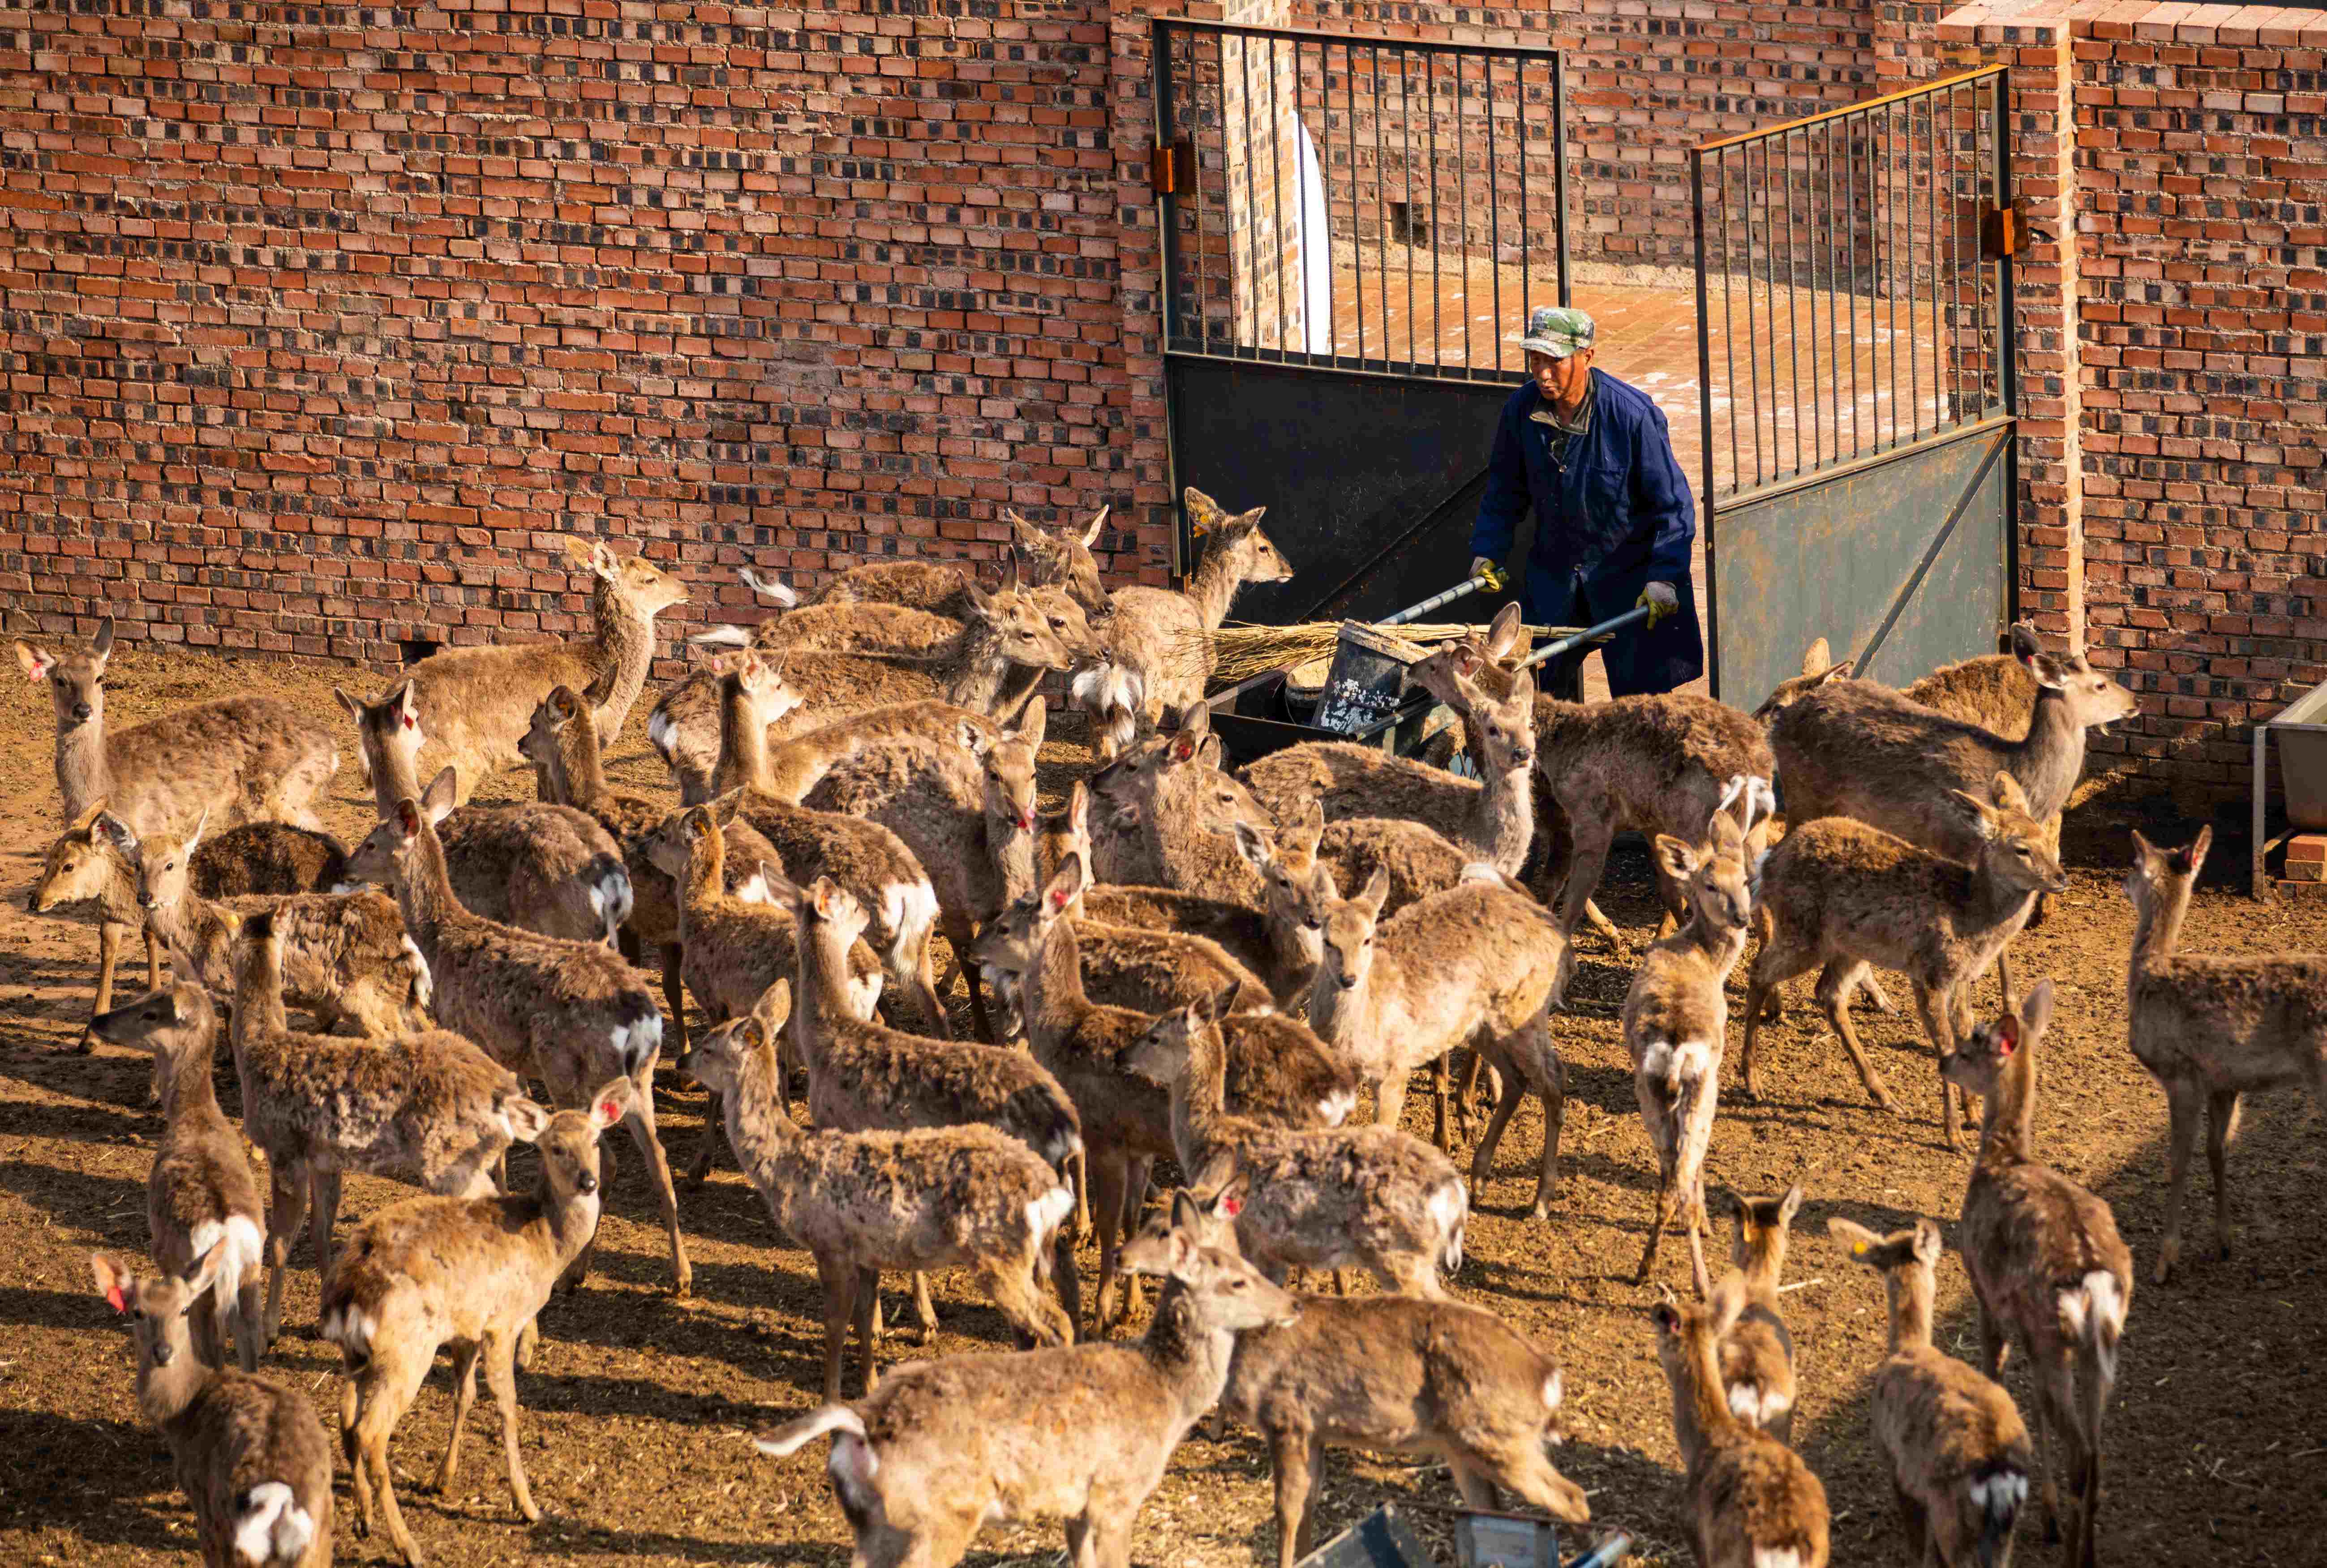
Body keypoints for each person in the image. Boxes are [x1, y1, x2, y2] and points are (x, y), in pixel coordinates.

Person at [1469, 305, 1704, 698]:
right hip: (1557, 578)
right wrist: (1487, 550)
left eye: (1555, 362)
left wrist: (1664, 576)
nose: (1543, 373)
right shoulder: (1520, 412)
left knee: (1639, 710)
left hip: (1627, 580)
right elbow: (1505, 490)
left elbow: (1674, 507)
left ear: (1587, 357)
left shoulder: (1631, 416)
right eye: (1536, 360)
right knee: (1538, 697)